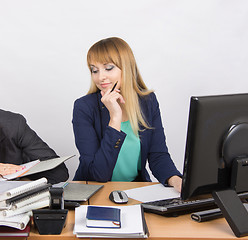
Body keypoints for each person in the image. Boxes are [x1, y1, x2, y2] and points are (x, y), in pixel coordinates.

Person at [72, 37, 182, 192]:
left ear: (126, 67)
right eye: (94, 70)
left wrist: (175, 180)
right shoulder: (84, 107)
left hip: (134, 188)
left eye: (108, 68)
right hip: (93, 191)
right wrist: (115, 118)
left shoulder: (147, 102)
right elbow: (97, 175)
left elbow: (158, 155)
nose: (100, 77)